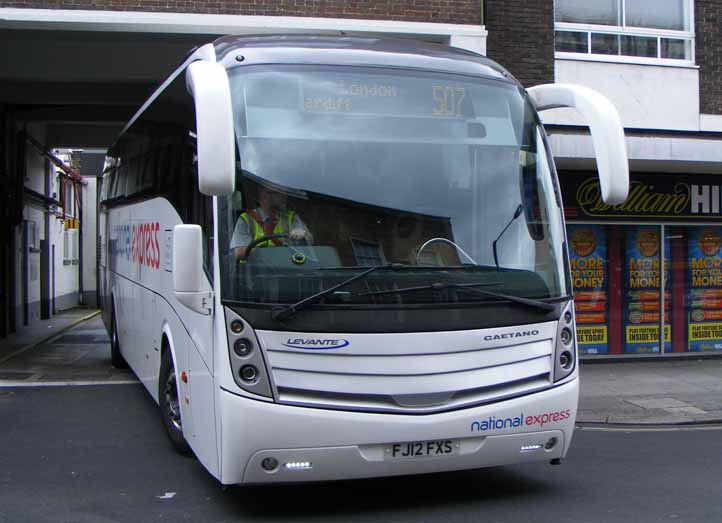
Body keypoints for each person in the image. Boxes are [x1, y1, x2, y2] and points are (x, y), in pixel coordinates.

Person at [230, 185, 312, 261]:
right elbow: (238, 252)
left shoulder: (291, 217)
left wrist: (303, 233)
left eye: (285, 193)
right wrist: (265, 252)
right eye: (279, 193)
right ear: (264, 196)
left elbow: (310, 240)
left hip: (287, 268)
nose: (285, 197)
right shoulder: (247, 219)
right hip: (254, 272)